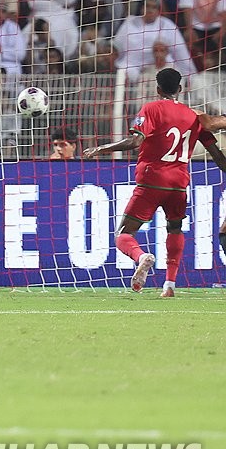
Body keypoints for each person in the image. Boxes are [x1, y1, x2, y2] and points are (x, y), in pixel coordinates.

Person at [84, 68, 226, 297]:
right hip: (179, 184)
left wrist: (102, 148)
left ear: (157, 88)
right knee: (175, 227)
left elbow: (134, 141)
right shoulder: (195, 116)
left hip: (152, 181)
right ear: (180, 89)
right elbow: (217, 155)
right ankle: (169, 285)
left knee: (123, 234)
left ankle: (142, 257)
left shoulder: (151, 109)